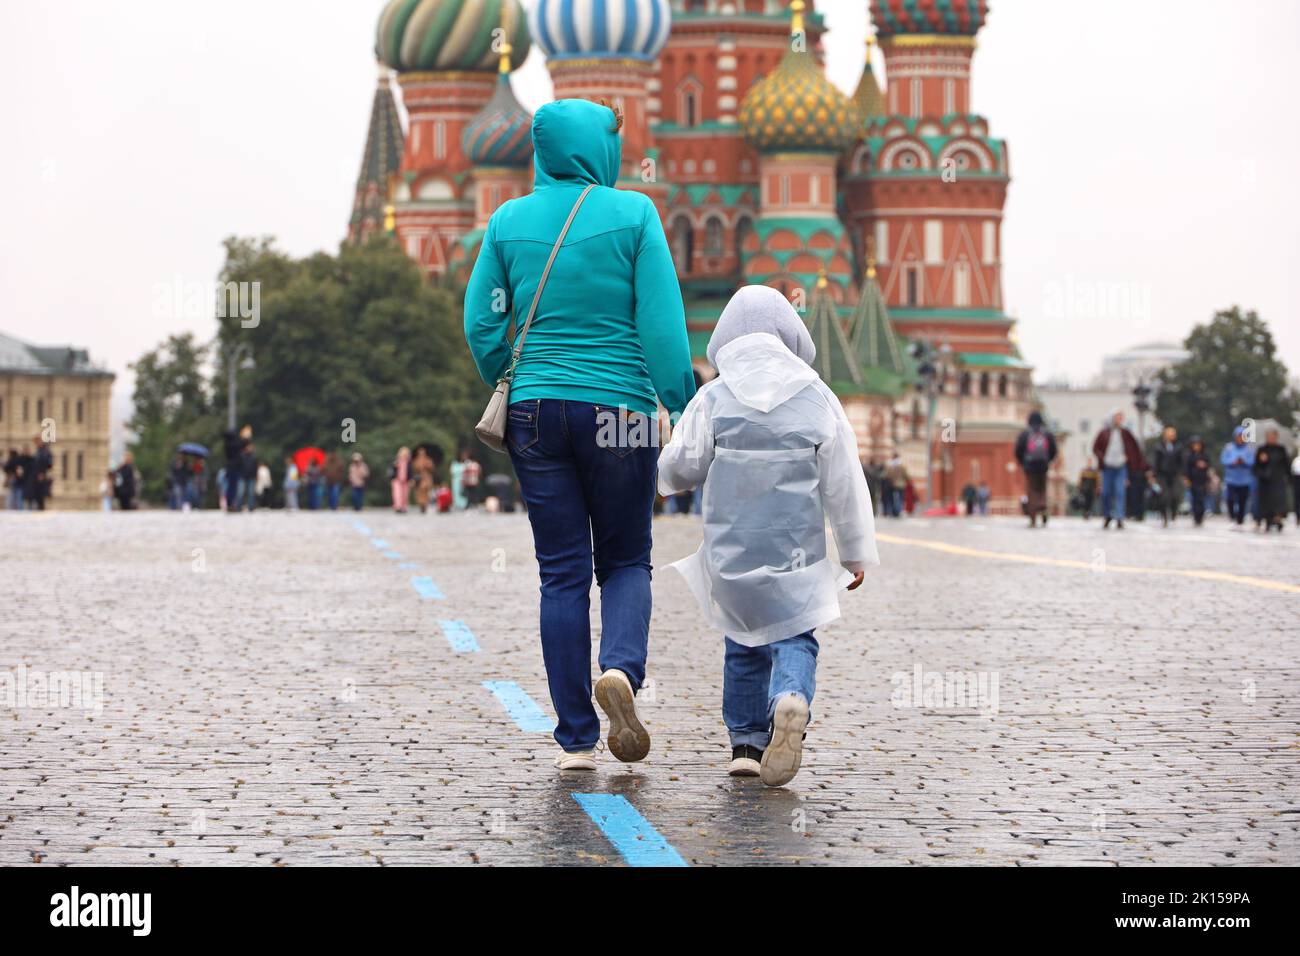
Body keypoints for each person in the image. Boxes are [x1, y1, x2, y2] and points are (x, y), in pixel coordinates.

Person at [463, 98, 695, 771]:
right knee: (624, 559)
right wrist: (682, 402)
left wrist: (509, 371)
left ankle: (575, 739)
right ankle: (620, 668)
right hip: (620, 411)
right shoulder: (635, 215)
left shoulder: (507, 221)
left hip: (536, 412)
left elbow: (483, 320)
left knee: (560, 573)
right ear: (601, 148)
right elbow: (659, 325)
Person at [658, 286, 876, 787]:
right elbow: (844, 479)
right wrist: (856, 550)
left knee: (741, 637)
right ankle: (791, 697)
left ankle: (746, 745)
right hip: (795, 546)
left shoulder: (714, 395)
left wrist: (661, 480)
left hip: (731, 548)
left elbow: (682, 465)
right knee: (795, 632)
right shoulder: (816, 395)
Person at [1091, 410, 1145, 530]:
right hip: (1107, 467)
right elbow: (1095, 448)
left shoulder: (1125, 433)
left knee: (1120, 492)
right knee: (1106, 493)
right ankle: (1107, 515)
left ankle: (1119, 517)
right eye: (1117, 417)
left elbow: (1134, 449)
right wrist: (1102, 458)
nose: (1119, 420)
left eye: (1121, 417)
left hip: (1121, 467)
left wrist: (1129, 460)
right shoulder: (1104, 433)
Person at [1014, 410, 1057, 528]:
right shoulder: (1047, 433)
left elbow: (1018, 450)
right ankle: (1042, 506)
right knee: (1042, 488)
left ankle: (1033, 517)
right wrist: (1048, 460)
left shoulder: (1025, 433)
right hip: (1043, 465)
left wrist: (1023, 462)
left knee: (1031, 489)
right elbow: (1054, 450)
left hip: (1029, 466)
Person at [1252, 429, 1291, 532]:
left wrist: (1289, 477)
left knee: (1278, 502)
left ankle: (1278, 519)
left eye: (1273, 437)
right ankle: (1267, 521)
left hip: (1278, 480)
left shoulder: (1281, 449)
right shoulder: (1262, 449)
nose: (1271, 439)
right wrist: (1262, 461)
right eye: (1269, 437)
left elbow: (1286, 465)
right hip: (1265, 481)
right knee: (1266, 503)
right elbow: (1255, 467)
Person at [1219, 426, 1255, 526]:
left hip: (1244, 479)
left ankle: (1240, 519)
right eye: (1239, 436)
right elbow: (1223, 460)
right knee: (1230, 499)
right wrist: (1233, 462)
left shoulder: (1249, 448)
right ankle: (1232, 516)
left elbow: (1252, 461)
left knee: (1243, 500)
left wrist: (1244, 462)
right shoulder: (1229, 447)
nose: (1240, 438)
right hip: (1231, 479)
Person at [1151, 425, 1184, 528]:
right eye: (1170, 434)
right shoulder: (1159, 447)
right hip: (1162, 475)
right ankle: (1164, 516)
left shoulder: (1179, 446)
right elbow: (1156, 462)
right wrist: (1154, 475)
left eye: (1173, 434)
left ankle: (1173, 514)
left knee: (1175, 495)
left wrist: (1182, 473)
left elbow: (1181, 461)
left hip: (1174, 475)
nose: (1172, 436)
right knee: (1163, 497)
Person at [1183, 436, 1213, 525]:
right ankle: (1196, 517)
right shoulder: (1189, 455)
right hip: (1193, 480)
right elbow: (1186, 468)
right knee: (1194, 499)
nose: (1196, 446)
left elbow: (1209, 466)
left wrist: (1204, 465)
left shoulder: (1205, 455)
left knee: (1202, 499)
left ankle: (1201, 516)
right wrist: (1187, 479)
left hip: (1203, 480)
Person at [222, 425, 251, 513]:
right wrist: (246, 437)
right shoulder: (231, 444)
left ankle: (231, 504)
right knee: (232, 487)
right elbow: (242, 444)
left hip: (232, 467)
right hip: (233, 467)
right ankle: (231, 504)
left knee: (232, 486)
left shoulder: (228, 443)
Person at [412, 447, 435, 514]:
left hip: (426, 477)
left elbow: (432, 468)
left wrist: (427, 465)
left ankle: (425, 504)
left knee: (425, 490)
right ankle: (421, 505)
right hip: (419, 478)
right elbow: (414, 468)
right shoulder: (416, 460)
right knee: (419, 491)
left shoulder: (428, 460)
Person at [884, 454, 908, 518]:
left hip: (892, 484)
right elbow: (905, 474)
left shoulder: (890, 465)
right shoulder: (902, 465)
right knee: (900, 498)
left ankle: (892, 511)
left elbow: (888, 475)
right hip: (900, 484)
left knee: (892, 499)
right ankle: (898, 511)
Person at [389, 447, 412, 513]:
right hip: (397, 479)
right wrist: (395, 466)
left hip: (405, 480)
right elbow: (391, 469)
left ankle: (403, 507)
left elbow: (410, 472)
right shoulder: (396, 461)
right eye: (403, 453)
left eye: (406, 454)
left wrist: (411, 479)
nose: (404, 455)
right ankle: (398, 507)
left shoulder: (409, 462)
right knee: (397, 494)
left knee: (405, 495)